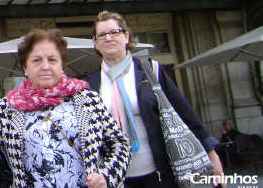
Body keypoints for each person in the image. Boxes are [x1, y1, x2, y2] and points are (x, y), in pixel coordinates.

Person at [0, 28, 131, 188]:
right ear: (25, 68)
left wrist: (106, 177)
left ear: (61, 65)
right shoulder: (8, 108)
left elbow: (120, 145)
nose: (45, 66)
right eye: (36, 60)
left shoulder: (87, 100)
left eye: (52, 60)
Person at [84, 11, 225, 188]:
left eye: (114, 32)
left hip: (157, 174)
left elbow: (184, 112)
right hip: (114, 178)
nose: (108, 38)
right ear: (96, 43)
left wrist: (211, 154)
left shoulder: (151, 70)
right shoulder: (89, 82)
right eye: (102, 35)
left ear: (126, 36)